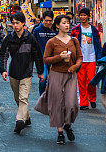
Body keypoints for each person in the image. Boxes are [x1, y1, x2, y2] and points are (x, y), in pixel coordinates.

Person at [34, 14, 81, 145]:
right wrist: (59, 57)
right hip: (55, 74)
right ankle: (60, 132)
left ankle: (67, 124)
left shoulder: (74, 40)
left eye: (68, 23)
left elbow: (79, 57)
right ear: (57, 25)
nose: (67, 25)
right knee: (57, 103)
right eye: (64, 23)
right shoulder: (52, 42)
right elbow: (45, 59)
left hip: (71, 75)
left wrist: (75, 66)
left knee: (71, 103)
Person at [0, 11, 44, 134]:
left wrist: (40, 72)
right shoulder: (9, 38)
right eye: (13, 23)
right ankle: (26, 117)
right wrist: (3, 70)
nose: (15, 26)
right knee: (18, 98)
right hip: (13, 72)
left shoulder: (30, 38)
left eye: (17, 23)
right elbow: (3, 54)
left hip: (27, 72)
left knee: (23, 98)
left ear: (23, 23)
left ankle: (20, 121)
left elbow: (37, 56)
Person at [71, 7, 102, 110]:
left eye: (85, 15)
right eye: (81, 15)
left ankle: (92, 98)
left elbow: (98, 43)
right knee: (81, 82)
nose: (83, 17)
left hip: (92, 58)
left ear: (88, 16)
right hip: (80, 59)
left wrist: (99, 57)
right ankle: (84, 103)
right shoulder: (75, 30)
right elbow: (71, 44)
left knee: (91, 81)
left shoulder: (93, 29)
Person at [33, 10, 57, 95]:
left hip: (53, 58)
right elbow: (33, 43)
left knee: (53, 79)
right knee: (43, 78)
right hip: (42, 58)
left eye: (50, 21)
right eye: (46, 20)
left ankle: (51, 97)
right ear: (43, 20)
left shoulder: (55, 30)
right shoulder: (37, 30)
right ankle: (42, 96)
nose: (48, 22)